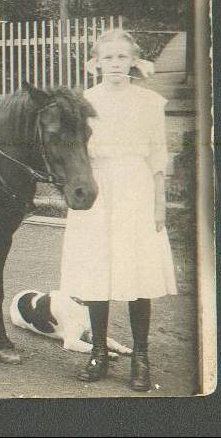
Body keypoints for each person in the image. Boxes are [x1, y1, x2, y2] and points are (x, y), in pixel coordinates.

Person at [60, 29, 177, 392]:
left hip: (135, 190)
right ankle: (98, 352)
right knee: (98, 271)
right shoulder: (83, 104)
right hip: (97, 191)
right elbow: (73, 154)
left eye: (122, 57)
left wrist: (159, 204)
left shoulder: (149, 103)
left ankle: (140, 356)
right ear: (95, 64)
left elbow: (158, 156)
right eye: (107, 58)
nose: (115, 64)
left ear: (133, 61)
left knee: (136, 271)